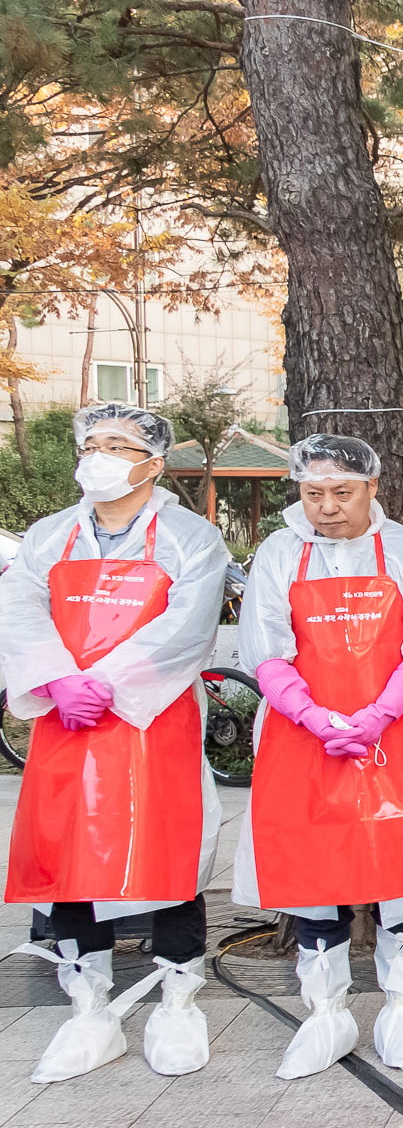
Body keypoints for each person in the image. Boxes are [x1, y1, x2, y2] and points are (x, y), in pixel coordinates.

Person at [0, 403, 226, 1082]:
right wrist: (57, 681)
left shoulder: (190, 539)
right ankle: (88, 1005)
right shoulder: (47, 539)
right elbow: (18, 612)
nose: (98, 455)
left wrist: (111, 680)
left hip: (152, 720)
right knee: (68, 855)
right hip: (66, 724)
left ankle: (178, 999)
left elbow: (189, 625)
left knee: (169, 851)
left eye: (118, 445)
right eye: (92, 443)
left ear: (153, 464)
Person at [236, 434, 403, 1079]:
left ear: (373, 489)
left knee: (400, 867)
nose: (328, 507)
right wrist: (313, 716)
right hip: (300, 734)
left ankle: (401, 1006)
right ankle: (327, 1012)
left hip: (398, 733)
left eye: (342, 492)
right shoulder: (281, 554)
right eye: (314, 494)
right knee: (313, 872)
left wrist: (375, 716)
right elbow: (265, 650)